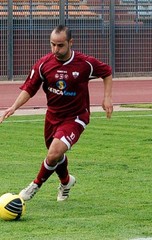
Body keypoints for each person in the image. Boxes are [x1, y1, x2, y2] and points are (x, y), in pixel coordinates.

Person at [0, 25, 113, 202]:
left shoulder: (84, 63)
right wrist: (13, 107)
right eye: (52, 44)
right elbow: (30, 88)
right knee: (55, 155)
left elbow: (106, 72)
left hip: (76, 117)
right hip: (52, 117)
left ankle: (34, 185)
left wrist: (107, 97)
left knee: (53, 153)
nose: (55, 49)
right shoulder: (44, 64)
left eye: (60, 45)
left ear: (70, 43)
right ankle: (66, 182)